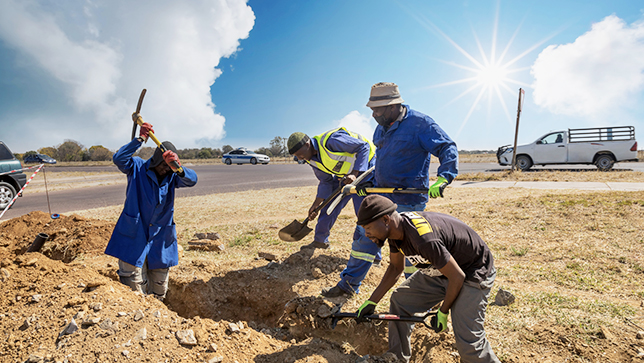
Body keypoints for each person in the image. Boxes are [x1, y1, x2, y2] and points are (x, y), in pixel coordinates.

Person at [355, 195, 500, 363]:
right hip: (443, 270)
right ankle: (397, 358)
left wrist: (443, 311)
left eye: (368, 228)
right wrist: (372, 302)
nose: (366, 234)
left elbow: (457, 276)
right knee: (400, 301)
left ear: (385, 219)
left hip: (471, 272)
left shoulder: (423, 239)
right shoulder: (395, 232)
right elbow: (396, 268)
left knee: (469, 343)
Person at [366, 82, 459, 277]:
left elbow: (446, 147)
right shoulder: (380, 128)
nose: (373, 115)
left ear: (393, 106)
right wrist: (369, 182)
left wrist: (444, 177)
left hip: (408, 200)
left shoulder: (420, 124)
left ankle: (416, 293)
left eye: (377, 110)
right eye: (372, 110)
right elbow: (381, 160)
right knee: (364, 239)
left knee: (411, 252)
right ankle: (348, 285)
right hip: (383, 198)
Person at [105, 121, 198, 301]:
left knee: (159, 289)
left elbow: (192, 180)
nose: (165, 170)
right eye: (164, 165)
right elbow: (119, 159)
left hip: (160, 240)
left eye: (169, 167)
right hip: (133, 235)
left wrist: (177, 167)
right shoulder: (137, 168)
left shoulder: (173, 176)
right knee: (134, 290)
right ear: (156, 160)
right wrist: (140, 139)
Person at [288, 128, 378, 298]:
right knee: (328, 206)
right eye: (297, 157)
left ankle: (376, 256)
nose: (300, 158)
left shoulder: (331, 141)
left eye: (300, 154)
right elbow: (325, 180)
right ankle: (320, 240)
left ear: (308, 144)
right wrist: (316, 203)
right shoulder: (310, 158)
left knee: (364, 214)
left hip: (367, 171)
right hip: (345, 176)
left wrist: (354, 173)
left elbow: (364, 147)